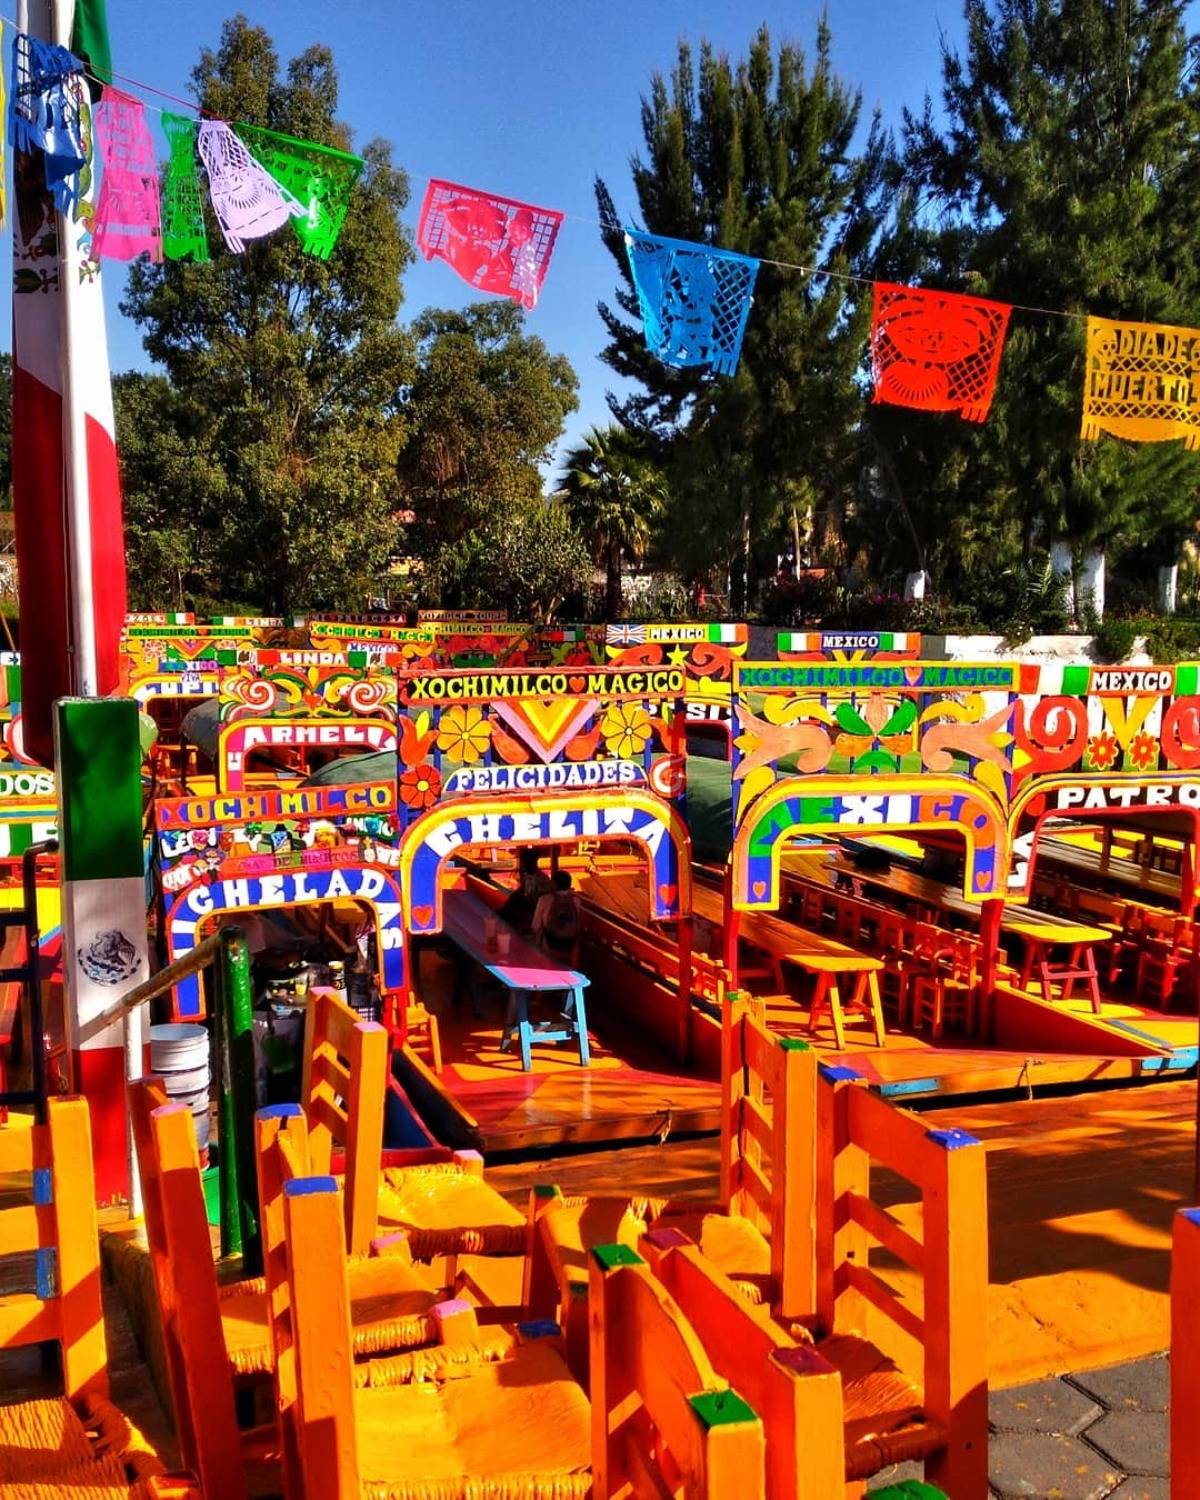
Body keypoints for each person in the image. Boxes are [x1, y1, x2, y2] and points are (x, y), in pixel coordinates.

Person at [499, 848, 552, 933]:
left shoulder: (541, 880)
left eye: (522, 862)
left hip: (535, 915)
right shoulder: (528, 877)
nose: (521, 865)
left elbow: (539, 903)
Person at [533, 870, 581, 959]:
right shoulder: (576, 901)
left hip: (549, 945)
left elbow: (535, 927)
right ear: (569, 884)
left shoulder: (545, 899)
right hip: (569, 945)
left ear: (553, 884)